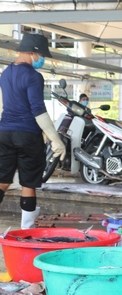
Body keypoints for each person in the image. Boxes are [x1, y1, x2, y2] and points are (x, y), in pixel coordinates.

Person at [0, 33, 66, 229]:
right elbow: (38, 110)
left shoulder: (5, 73)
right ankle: (26, 229)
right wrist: (56, 140)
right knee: (28, 183)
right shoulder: (33, 76)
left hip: (4, 132)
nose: (42, 60)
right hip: (27, 134)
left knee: (2, 180)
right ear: (32, 53)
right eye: (41, 56)